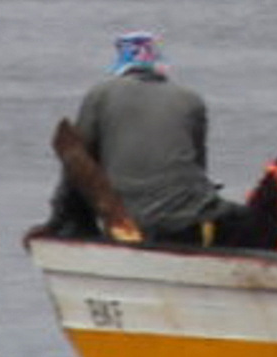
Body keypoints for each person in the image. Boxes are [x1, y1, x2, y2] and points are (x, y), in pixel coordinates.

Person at [50, 32, 230, 246]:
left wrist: (61, 219)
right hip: (191, 219)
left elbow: (78, 165)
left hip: (130, 220)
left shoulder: (101, 95)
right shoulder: (191, 100)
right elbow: (199, 166)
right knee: (244, 219)